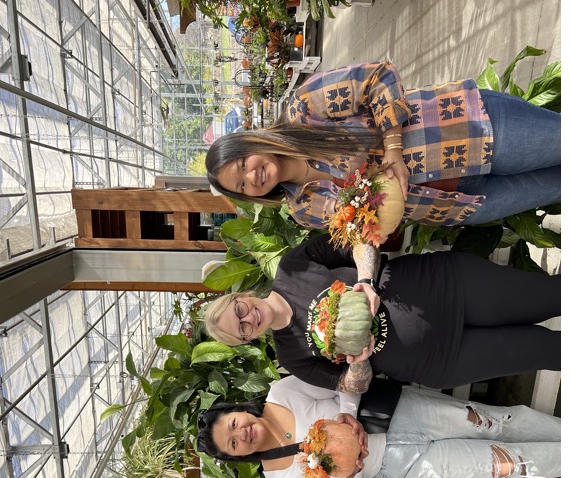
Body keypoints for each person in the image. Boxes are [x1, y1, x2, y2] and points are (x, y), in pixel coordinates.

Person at [206, 62, 561, 229]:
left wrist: (393, 150)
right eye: (242, 186)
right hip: (461, 203)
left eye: (242, 165)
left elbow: (379, 77)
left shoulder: (304, 109)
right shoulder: (303, 209)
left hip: (469, 131)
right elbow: (363, 229)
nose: (252, 177)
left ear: (248, 143)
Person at [202, 234, 560, 393]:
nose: (249, 319)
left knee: (550, 296)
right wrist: (358, 363)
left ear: (241, 296)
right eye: (242, 329)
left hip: (444, 287)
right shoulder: (291, 356)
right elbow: (349, 387)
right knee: (545, 351)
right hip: (441, 359)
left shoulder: (293, 267)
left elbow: (358, 242)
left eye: (240, 310)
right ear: (247, 340)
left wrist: (365, 279)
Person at [195, 375, 560, 478]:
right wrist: (352, 470)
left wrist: (348, 413)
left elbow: (342, 382)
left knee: (494, 422)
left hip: (398, 413)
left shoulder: (282, 393)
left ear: (236, 410)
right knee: (504, 464)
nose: (241, 433)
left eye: (233, 424)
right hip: (398, 465)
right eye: (232, 443)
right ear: (236, 456)